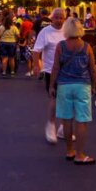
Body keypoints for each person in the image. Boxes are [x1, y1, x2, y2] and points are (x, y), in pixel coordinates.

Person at [49, 17, 96, 164]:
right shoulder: (86, 46)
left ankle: (70, 150)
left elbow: (55, 67)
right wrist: (94, 85)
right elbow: (92, 68)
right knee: (81, 120)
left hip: (64, 85)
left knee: (67, 119)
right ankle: (80, 154)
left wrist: (52, 85)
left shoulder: (61, 46)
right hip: (82, 85)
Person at [32, 8, 66, 144]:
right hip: (51, 70)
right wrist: (36, 65)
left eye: (61, 17)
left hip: (68, 70)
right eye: (56, 17)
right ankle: (51, 125)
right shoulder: (45, 32)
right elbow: (36, 50)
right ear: (51, 18)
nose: (59, 20)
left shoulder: (68, 30)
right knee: (54, 98)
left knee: (66, 99)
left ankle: (64, 127)